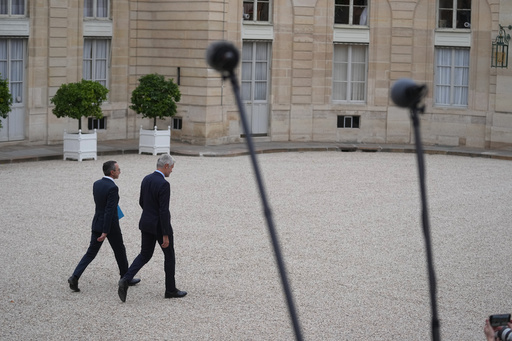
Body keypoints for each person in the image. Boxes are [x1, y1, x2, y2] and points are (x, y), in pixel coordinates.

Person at [118, 154, 186, 302]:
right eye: (172, 168)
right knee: (169, 256)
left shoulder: (146, 179)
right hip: (159, 227)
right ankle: (170, 290)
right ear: (166, 166)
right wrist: (166, 234)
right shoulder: (164, 184)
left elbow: (141, 201)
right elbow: (163, 211)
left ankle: (126, 278)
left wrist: (149, 214)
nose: (172, 171)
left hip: (146, 223)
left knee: (145, 254)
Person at [68, 160, 140, 292]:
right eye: (118, 169)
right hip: (110, 226)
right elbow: (109, 210)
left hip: (97, 222)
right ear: (112, 172)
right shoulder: (113, 188)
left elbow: (101, 206)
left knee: (90, 253)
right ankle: (126, 277)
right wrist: (105, 231)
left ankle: (75, 276)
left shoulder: (97, 184)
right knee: (119, 250)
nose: (120, 171)